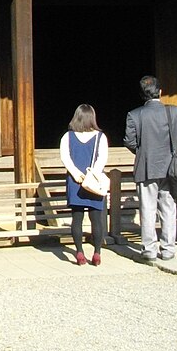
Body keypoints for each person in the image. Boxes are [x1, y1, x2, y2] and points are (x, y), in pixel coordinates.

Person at [124, 74, 177, 261]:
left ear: (142, 95)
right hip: (170, 167)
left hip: (146, 166)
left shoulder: (134, 115)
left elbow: (129, 141)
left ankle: (149, 249)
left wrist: (143, 150)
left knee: (147, 208)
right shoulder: (176, 112)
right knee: (168, 207)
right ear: (160, 92)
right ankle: (168, 248)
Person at [59, 104, 108, 266]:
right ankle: (97, 253)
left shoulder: (68, 136)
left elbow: (65, 158)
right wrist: (92, 173)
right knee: (97, 219)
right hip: (93, 181)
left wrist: (76, 173)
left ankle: (79, 252)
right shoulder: (101, 137)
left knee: (77, 218)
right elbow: (102, 159)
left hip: (75, 181)